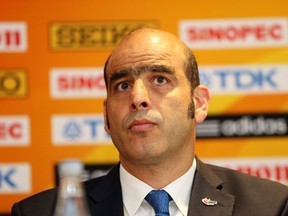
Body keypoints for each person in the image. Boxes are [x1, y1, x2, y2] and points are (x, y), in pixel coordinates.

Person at [11, 27, 288, 216]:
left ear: (199, 103)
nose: (138, 98)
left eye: (160, 79)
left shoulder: (271, 206)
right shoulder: (38, 212)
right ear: (107, 116)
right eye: (122, 85)